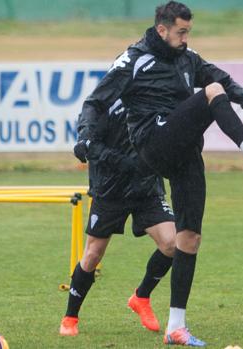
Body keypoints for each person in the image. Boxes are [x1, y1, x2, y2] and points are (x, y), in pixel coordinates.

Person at [75, 2, 243, 346]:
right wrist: (84, 134)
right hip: (152, 142)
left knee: (189, 239)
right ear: (162, 30)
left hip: (184, 152)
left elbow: (225, 81)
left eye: (189, 32)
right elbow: (95, 102)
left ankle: (176, 327)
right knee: (210, 93)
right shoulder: (134, 59)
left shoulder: (188, 57)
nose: (186, 38)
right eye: (181, 32)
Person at [59, 101, 177, 337]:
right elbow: (85, 146)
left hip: (147, 189)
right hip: (110, 191)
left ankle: (141, 297)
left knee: (173, 244)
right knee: (92, 255)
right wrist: (120, 161)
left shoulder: (154, 96)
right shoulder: (101, 104)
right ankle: (70, 317)